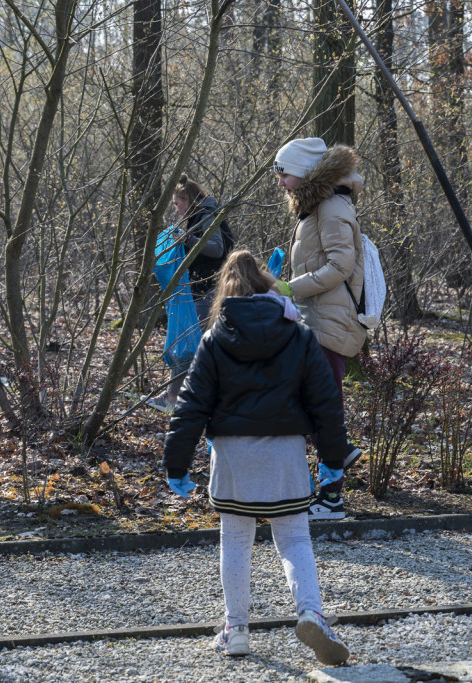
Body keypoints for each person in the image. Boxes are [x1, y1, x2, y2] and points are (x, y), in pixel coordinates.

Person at [162, 250, 351, 665]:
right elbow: (324, 402)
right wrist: (332, 457)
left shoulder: (214, 339)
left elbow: (192, 405)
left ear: (226, 292)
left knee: (235, 539)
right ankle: (310, 612)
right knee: (295, 536)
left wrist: (176, 464)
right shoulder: (298, 334)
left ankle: (236, 630)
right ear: (267, 285)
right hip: (284, 450)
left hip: (231, 454)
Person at [271, 137, 366, 521]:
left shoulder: (331, 207)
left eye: (284, 173)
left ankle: (331, 500)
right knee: (309, 402)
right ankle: (337, 452)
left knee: (325, 408)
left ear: (306, 172)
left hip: (331, 321)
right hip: (314, 318)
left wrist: (293, 287)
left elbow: (341, 266)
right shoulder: (316, 208)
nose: (279, 181)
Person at [147, 174, 232, 414]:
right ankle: (182, 396)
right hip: (201, 288)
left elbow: (216, 249)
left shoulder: (206, 216)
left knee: (187, 343)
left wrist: (186, 238)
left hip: (209, 289)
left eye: (176, 203)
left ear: (188, 199)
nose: (175, 209)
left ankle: (174, 398)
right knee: (193, 343)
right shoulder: (200, 215)